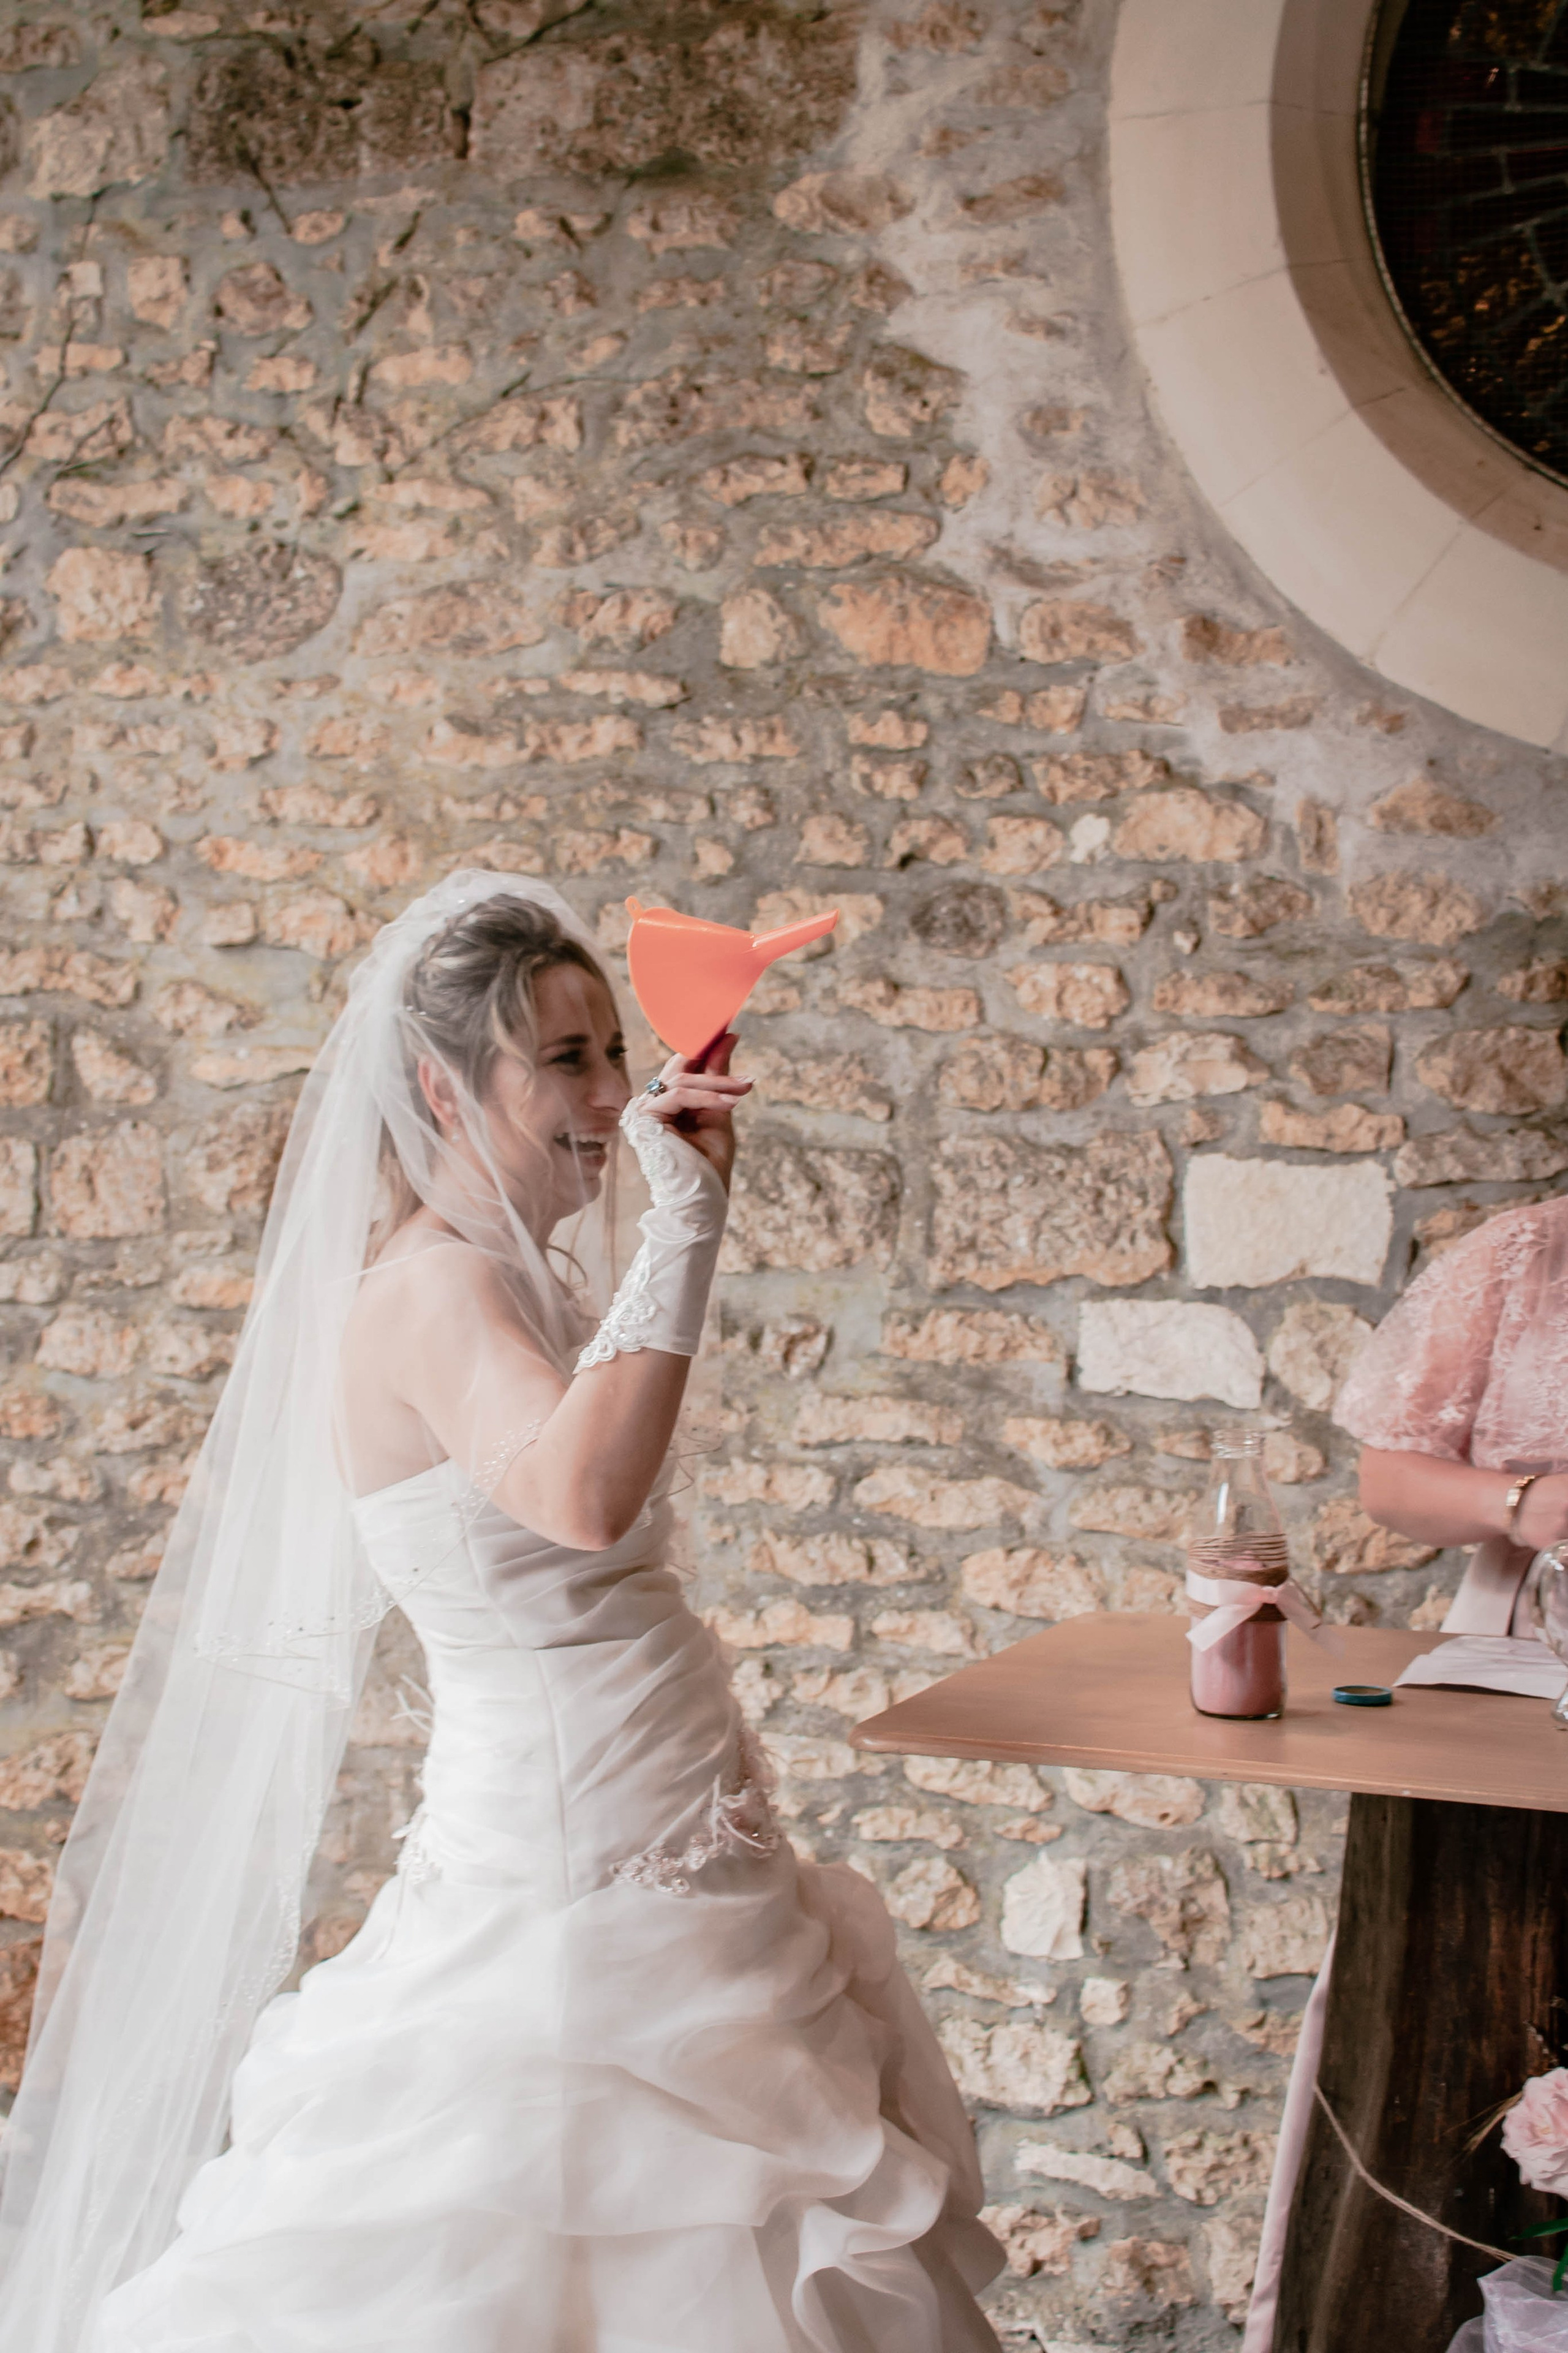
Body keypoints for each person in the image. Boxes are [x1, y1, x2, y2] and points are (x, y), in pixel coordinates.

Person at [0, 872, 1003, 2353]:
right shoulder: (428, 1291)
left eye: (614, 1049)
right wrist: (689, 1220)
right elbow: (582, 1497)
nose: (614, 1091)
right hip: (565, 1864)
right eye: (569, 1059)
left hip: (667, 1817)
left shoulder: (519, 1274)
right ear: (438, 1084)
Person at [1241, 1191, 1568, 2351]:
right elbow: (1391, 1480)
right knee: (1475, 1991)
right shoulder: (1530, 1250)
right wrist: (1534, 1503)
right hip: (1532, 1653)